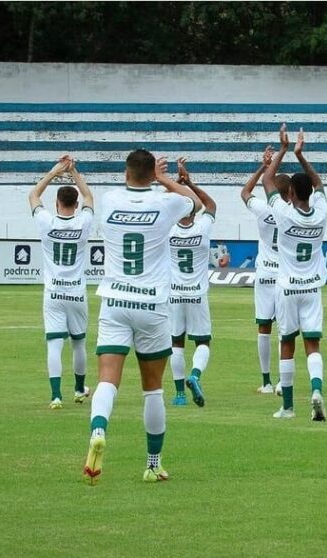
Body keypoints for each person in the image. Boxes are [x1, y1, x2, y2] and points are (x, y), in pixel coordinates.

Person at [82, 149, 201, 484]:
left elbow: (127, 185)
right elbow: (195, 202)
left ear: (125, 172)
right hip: (151, 306)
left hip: (114, 301)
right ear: (153, 172)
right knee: (152, 390)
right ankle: (152, 464)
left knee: (107, 379)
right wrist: (165, 180)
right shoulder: (166, 203)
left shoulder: (109, 200)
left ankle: (98, 429)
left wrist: (150, 177)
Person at [263, 124, 327, 420]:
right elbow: (320, 184)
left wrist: (284, 149)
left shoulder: (283, 212)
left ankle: (288, 406)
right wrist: (302, 156)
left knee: (286, 343)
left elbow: (266, 180)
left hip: (287, 287)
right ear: (310, 194)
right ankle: (316, 390)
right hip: (312, 287)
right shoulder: (322, 213)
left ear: (289, 192)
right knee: (312, 344)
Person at [28, 155, 94, 410]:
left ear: (56, 203)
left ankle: (56, 396)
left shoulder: (47, 221)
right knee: (78, 343)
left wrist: (55, 172)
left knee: (54, 344)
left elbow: (34, 195)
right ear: (75, 205)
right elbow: (90, 197)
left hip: (53, 292)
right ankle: (79, 390)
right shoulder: (83, 221)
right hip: (76, 292)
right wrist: (74, 172)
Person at [167, 158, 217, 408]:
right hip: (197, 294)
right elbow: (211, 205)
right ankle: (195, 376)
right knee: (203, 342)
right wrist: (190, 183)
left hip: (174, 294)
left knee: (176, 342)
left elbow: (166, 204)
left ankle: (178, 395)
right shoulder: (203, 227)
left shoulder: (168, 229)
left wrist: (174, 184)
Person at [240, 146, 287, 394]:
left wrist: (263, 166)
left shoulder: (262, 208)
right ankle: (282, 381)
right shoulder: (292, 212)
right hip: (285, 276)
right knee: (284, 329)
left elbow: (245, 192)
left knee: (263, 327)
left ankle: (266, 381)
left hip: (265, 274)